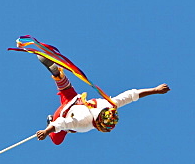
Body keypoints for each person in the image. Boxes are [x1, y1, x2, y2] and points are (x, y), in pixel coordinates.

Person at [34, 57, 170, 145]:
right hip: (63, 114)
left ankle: (57, 74)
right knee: (57, 139)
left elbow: (130, 96)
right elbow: (62, 123)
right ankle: (49, 120)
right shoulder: (84, 123)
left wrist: (155, 90)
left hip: (74, 100)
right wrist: (47, 131)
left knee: (67, 91)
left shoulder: (109, 105)